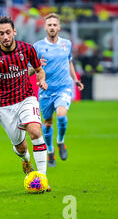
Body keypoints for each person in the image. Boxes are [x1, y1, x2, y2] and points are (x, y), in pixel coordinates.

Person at [0, 16, 51, 191]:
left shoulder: (27, 49)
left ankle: (42, 179)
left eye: (8, 32)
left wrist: (41, 80)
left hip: (26, 98)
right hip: (5, 105)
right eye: (1, 33)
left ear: (14, 31)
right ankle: (26, 160)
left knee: (35, 131)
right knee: (20, 146)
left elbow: (39, 70)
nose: (5, 37)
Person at [32, 13, 84, 167]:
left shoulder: (66, 44)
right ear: (45, 27)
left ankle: (60, 141)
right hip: (46, 91)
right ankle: (50, 150)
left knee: (61, 114)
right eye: (49, 25)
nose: (52, 27)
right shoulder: (38, 47)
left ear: (59, 27)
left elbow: (69, 63)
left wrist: (75, 80)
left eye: (55, 24)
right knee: (47, 123)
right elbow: (31, 69)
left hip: (64, 87)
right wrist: (38, 73)